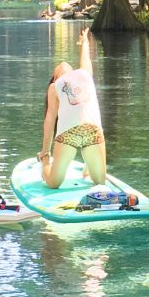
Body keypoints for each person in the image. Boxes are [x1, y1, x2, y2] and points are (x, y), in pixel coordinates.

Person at [39, 27, 107, 189]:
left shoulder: (78, 76)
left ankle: (47, 164)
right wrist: (84, 41)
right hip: (89, 132)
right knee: (99, 183)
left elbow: (50, 120)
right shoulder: (81, 75)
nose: (62, 65)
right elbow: (85, 57)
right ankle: (88, 166)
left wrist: (45, 152)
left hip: (75, 134)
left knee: (54, 184)